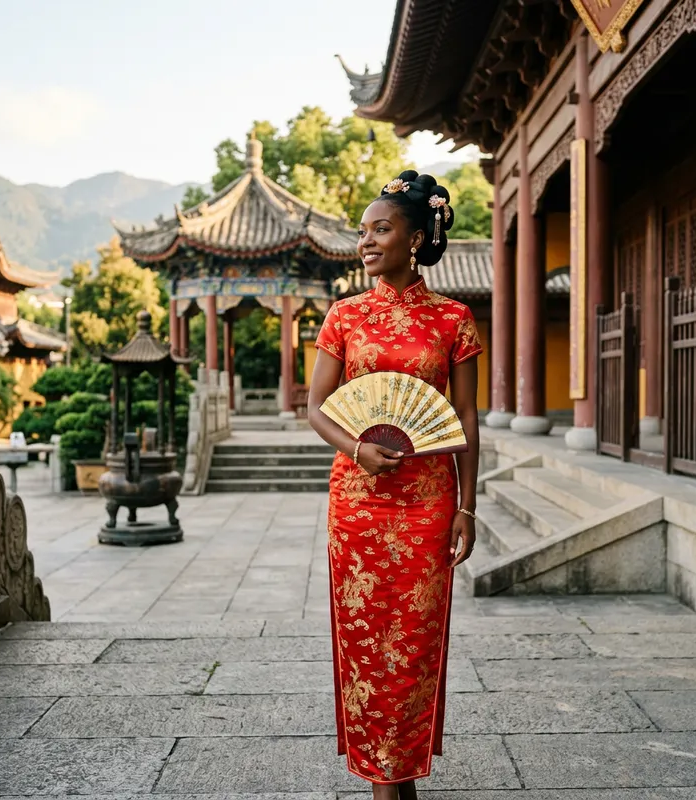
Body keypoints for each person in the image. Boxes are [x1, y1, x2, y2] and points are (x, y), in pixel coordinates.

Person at [307, 170, 482, 799]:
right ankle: (388, 783)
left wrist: (468, 505)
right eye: (363, 232)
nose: (366, 241)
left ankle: (395, 778)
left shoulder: (453, 320)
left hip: (429, 500)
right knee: (364, 643)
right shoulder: (344, 316)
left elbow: (464, 420)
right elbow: (316, 406)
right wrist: (356, 447)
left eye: (381, 229)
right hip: (357, 500)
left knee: (412, 645)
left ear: (416, 237)